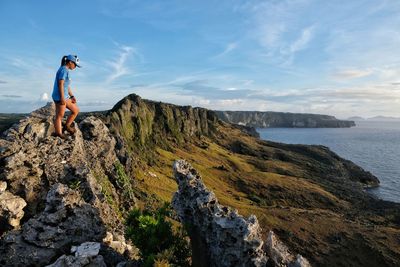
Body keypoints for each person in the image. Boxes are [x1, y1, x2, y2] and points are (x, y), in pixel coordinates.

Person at [51, 55, 81, 139]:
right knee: (59, 116)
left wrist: (72, 96)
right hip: (59, 96)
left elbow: (66, 86)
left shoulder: (66, 70)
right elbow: (60, 84)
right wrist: (62, 98)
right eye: (75, 65)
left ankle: (67, 126)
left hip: (65, 96)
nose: (75, 67)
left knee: (75, 110)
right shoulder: (63, 70)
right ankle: (58, 134)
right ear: (70, 62)